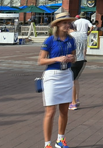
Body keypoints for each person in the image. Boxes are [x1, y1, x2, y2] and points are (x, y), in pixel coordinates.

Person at [39, 12, 78, 148]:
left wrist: (71, 59)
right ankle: (47, 143)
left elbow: (74, 57)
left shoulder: (71, 40)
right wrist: (56, 59)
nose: (68, 25)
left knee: (64, 110)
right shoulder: (50, 40)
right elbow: (41, 61)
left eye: (68, 23)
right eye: (64, 23)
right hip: (52, 76)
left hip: (66, 74)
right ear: (57, 25)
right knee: (50, 111)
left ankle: (60, 139)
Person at [69, 21, 88, 110]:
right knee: (76, 79)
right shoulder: (83, 35)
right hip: (81, 60)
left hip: (73, 60)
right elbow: (85, 48)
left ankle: (73, 102)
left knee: (72, 81)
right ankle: (77, 98)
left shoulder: (70, 37)